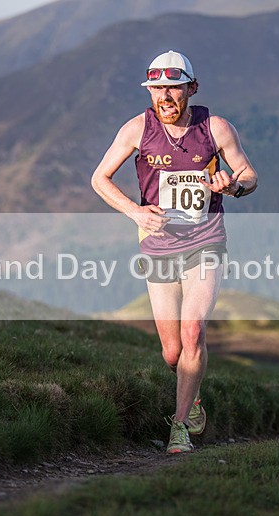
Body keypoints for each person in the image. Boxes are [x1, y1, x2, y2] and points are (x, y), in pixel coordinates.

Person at [91, 50, 258, 453]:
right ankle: (193, 394)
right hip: (158, 244)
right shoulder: (136, 129)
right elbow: (99, 178)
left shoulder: (215, 127)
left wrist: (232, 186)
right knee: (171, 351)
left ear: (192, 89)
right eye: (157, 89)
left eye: (173, 88)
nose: (164, 96)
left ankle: (179, 427)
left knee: (193, 331)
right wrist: (135, 213)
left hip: (206, 240)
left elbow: (249, 175)